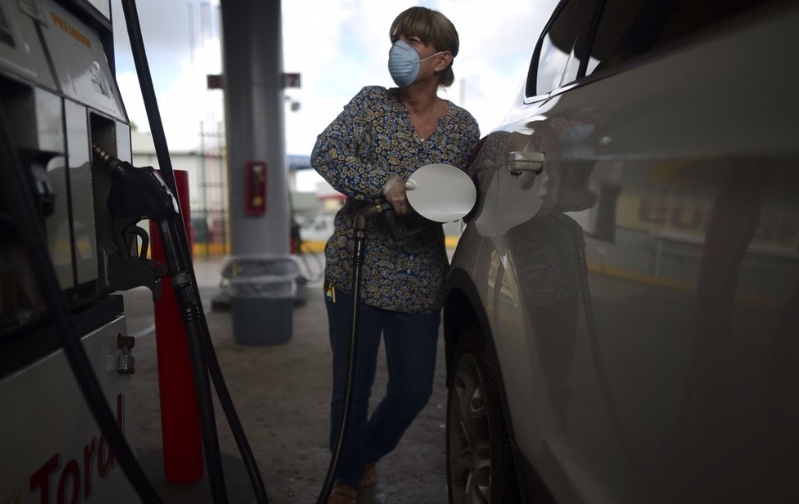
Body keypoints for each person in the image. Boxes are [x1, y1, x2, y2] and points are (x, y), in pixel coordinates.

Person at [310, 6, 480, 503]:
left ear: (441, 59)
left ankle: (361, 453)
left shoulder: (462, 128)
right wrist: (382, 184)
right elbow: (326, 152)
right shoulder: (370, 104)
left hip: (419, 273)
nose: (399, 48)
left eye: (414, 41)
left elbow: (469, 192)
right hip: (356, 265)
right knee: (352, 388)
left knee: (413, 391)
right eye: (396, 37)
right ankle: (344, 477)